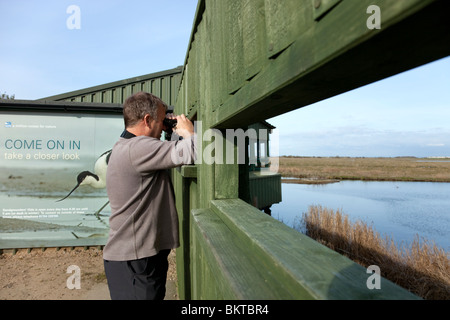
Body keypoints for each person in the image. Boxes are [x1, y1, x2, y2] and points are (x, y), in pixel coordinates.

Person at [103, 91, 196, 300]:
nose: (165, 125)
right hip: (136, 262)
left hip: (134, 258)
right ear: (147, 119)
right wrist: (188, 132)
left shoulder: (126, 145)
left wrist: (167, 129)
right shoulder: (139, 148)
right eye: (162, 120)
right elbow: (194, 151)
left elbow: (169, 152)